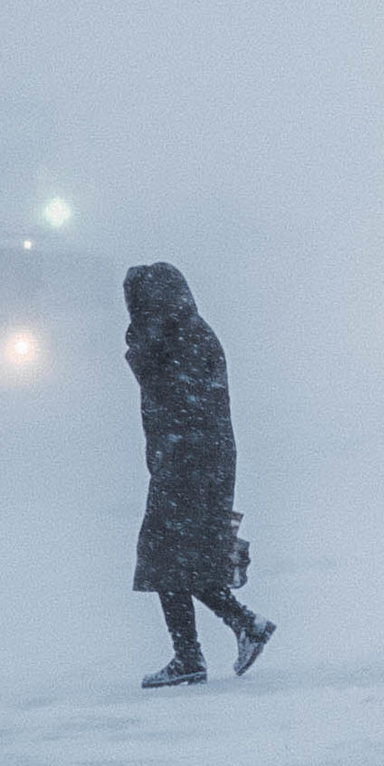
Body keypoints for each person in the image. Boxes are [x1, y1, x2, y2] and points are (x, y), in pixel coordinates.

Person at [123, 263, 276, 688]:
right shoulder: (189, 331)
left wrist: (140, 342)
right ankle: (241, 627)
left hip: (187, 460)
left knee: (165, 555)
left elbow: (166, 390)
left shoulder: (175, 338)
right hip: (198, 458)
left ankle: (197, 651)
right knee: (178, 557)